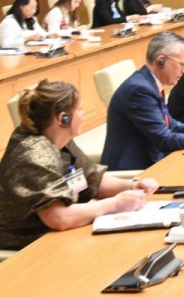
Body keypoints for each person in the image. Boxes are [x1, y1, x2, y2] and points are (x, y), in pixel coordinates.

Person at [0, 81, 158, 250]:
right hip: (28, 246)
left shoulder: (60, 140)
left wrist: (131, 185)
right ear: (63, 118)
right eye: (80, 109)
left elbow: (91, 178)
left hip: (59, 235)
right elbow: (59, 218)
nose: (84, 114)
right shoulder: (33, 155)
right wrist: (114, 205)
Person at [100, 32, 184, 171]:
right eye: (182, 64)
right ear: (161, 61)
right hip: (136, 173)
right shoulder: (139, 90)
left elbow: (170, 124)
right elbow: (164, 139)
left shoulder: (149, 83)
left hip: (157, 163)